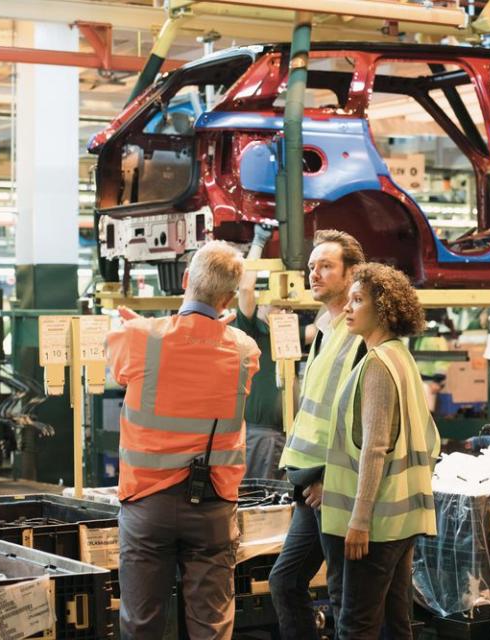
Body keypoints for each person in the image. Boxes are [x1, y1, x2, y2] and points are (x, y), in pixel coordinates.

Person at [108, 241, 260, 640]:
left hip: (147, 505)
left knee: (142, 623)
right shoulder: (245, 349)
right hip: (213, 506)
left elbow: (132, 367)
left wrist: (138, 328)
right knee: (211, 625)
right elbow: (202, 356)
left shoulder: (138, 336)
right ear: (228, 297)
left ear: (186, 279)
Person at [320, 263, 440, 640]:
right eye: (349, 300)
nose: (349, 308)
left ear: (384, 309)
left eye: (358, 300)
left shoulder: (376, 364)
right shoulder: (399, 356)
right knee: (394, 621)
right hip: (402, 517)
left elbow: (375, 447)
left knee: (356, 625)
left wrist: (359, 519)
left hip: (376, 523)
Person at [270, 230, 366, 640]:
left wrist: (332, 479)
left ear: (353, 273)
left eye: (326, 266)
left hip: (338, 487)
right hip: (310, 484)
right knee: (285, 581)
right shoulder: (325, 329)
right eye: (312, 266)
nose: (315, 273)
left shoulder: (361, 333)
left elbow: (363, 420)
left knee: (346, 597)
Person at [235, 223, 290, 480]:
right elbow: (246, 289)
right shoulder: (253, 333)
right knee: (256, 501)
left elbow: (323, 324)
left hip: (284, 435)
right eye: (273, 304)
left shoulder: (287, 337)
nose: (281, 311)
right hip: (257, 435)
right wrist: (258, 242)